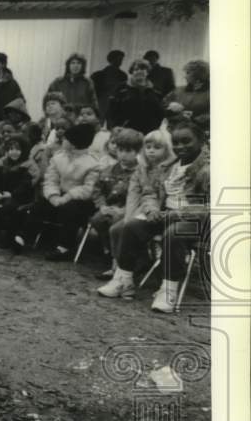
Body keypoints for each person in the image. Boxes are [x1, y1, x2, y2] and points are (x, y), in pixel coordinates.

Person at [98, 122, 209, 311]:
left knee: (173, 234)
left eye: (186, 141)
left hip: (196, 222)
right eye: (176, 142)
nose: (180, 146)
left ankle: (168, 290)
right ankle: (124, 280)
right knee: (131, 226)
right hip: (165, 214)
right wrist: (152, 210)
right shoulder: (168, 166)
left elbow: (209, 207)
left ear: (202, 141)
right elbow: (149, 191)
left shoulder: (207, 170)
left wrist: (174, 215)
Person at [24, 122, 100, 260]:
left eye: (66, 139)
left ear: (73, 143)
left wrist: (67, 197)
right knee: (40, 204)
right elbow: (50, 179)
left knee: (70, 209)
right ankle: (24, 237)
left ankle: (65, 247)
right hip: (59, 195)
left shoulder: (93, 163)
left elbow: (88, 188)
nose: (63, 141)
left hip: (80, 201)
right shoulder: (59, 158)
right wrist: (53, 196)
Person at [89, 128, 142, 262]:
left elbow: (141, 196)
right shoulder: (109, 170)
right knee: (97, 219)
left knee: (116, 224)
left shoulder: (141, 173)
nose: (123, 155)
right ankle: (109, 251)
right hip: (109, 207)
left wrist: (124, 210)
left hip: (129, 210)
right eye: (120, 150)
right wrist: (102, 206)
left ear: (138, 152)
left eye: (128, 151)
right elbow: (97, 190)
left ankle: (121, 259)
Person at [0, 134, 37, 251]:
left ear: (24, 150)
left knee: (9, 207)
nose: (13, 152)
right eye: (11, 149)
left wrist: (13, 194)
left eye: (17, 149)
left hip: (20, 196)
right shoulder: (2, 163)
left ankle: (9, 235)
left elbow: (27, 185)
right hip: (2, 193)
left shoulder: (28, 165)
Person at [107, 59, 165, 134]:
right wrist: (113, 127)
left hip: (150, 132)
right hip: (126, 131)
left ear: (147, 72)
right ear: (131, 72)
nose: (139, 71)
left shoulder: (156, 90)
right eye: (136, 69)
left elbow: (160, 112)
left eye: (143, 69)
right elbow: (111, 111)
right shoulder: (121, 88)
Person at [163, 60, 210, 130]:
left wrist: (193, 119)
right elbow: (162, 105)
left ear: (198, 75)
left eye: (188, 73)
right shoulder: (178, 90)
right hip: (174, 129)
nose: (184, 76)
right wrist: (170, 106)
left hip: (199, 131)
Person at [91, 50, 128, 122]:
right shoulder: (98, 75)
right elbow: (93, 92)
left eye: (121, 59)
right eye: (118, 59)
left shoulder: (123, 75)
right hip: (102, 102)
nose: (120, 61)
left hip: (117, 104)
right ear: (111, 59)